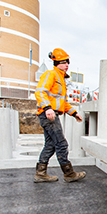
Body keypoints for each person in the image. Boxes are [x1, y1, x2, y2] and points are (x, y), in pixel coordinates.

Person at [34, 48, 86, 183]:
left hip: (51, 114)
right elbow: (40, 92)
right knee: (61, 144)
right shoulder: (50, 75)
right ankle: (69, 173)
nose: (67, 65)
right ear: (56, 62)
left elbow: (62, 102)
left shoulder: (61, 80)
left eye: (67, 62)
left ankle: (40, 173)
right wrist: (47, 108)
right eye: (63, 62)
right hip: (48, 115)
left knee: (50, 145)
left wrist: (74, 113)